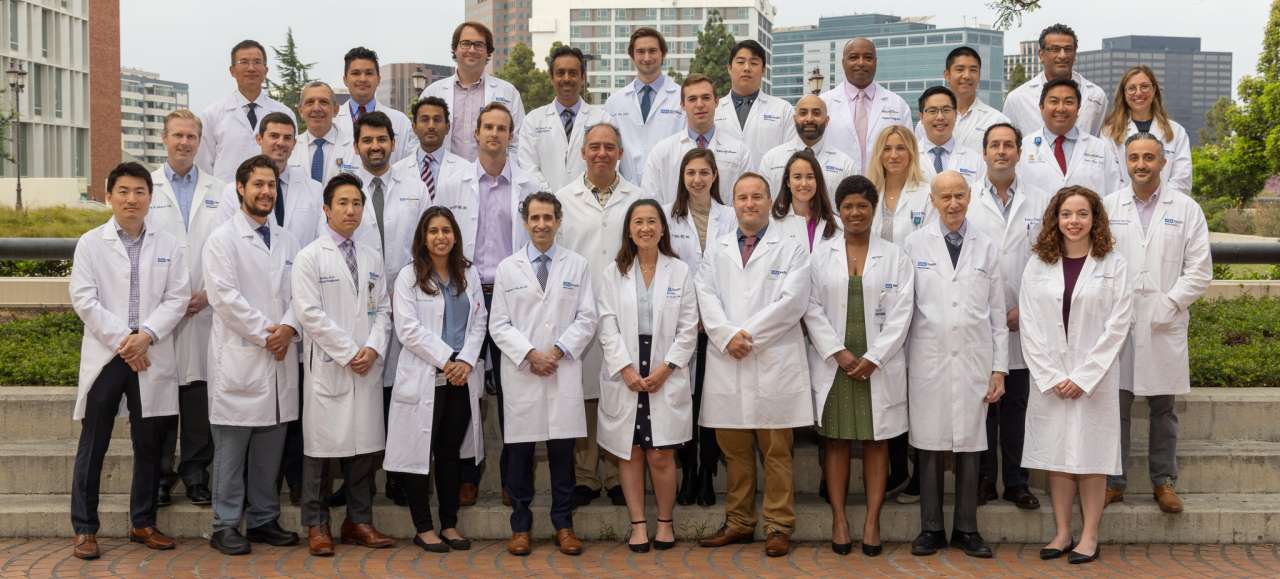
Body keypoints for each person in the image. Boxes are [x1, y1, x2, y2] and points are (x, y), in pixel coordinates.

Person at [68, 162, 190, 560]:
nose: (131, 199)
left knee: (150, 444)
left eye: (139, 191)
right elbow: (84, 299)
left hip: (151, 351)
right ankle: (85, 529)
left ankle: (143, 522)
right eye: (123, 191)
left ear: (150, 199)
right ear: (109, 196)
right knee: (94, 443)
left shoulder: (170, 244)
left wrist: (147, 336)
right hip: (111, 354)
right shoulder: (90, 243)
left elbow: (177, 298)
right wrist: (127, 341)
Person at [696, 173, 812, 558]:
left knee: (777, 451)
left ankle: (778, 525)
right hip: (729, 357)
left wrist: (746, 335)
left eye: (757, 197)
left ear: (768, 201)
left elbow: (793, 302)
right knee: (735, 450)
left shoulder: (792, 248)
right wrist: (727, 335)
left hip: (773, 358)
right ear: (734, 203)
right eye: (743, 197)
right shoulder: (717, 249)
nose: (750, 203)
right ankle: (740, 523)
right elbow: (706, 296)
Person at [434, 101, 544, 505]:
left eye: (502, 128)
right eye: (488, 128)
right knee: (465, 389)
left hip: (512, 295)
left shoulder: (529, 184)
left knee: (516, 392)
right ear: (475, 135)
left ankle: (515, 482)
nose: (495, 134)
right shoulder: (454, 183)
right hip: (467, 294)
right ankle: (468, 475)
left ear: (511, 136)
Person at [1019, 185, 1133, 565]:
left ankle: (1089, 535)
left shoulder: (1113, 264)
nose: (1074, 221)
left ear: (1095, 219)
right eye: (1067, 214)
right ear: (1056, 218)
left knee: (1092, 457)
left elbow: (1118, 325)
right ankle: (1063, 532)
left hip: (1093, 380)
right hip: (1051, 379)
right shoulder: (1039, 263)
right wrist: (1051, 375)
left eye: (1082, 214)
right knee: (1057, 456)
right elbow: (1031, 324)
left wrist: (1084, 376)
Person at [804, 175, 913, 557]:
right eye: (848, 206)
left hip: (876, 362)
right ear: (839, 209)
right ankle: (838, 518)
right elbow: (811, 307)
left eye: (862, 206)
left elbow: (902, 313)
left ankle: (871, 521)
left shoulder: (895, 256)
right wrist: (837, 352)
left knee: (875, 441)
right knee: (835, 441)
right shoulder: (822, 254)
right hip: (837, 361)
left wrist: (874, 357)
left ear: (873, 209)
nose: (855, 212)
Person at [1102, 133, 1213, 512]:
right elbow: (1096, 263)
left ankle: (1163, 482)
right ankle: (1113, 482)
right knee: (1114, 405)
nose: (1141, 164)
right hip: (1118, 321)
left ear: (1163, 162)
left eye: (1149, 157)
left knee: (1163, 409)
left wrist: (1171, 303)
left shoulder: (1185, 209)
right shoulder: (1108, 206)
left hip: (1164, 321)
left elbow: (1200, 270)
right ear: (1125, 163)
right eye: (1134, 158)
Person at [202, 155, 303, 555]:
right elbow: (225, 299)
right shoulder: (222, 240)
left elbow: (301, 295)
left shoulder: (287, 240)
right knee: (231, 449)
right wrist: (271, 335)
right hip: (243, 357)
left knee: (269, 448)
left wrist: (290, 327)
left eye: (271, 185)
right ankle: (224, 524)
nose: (265, 192)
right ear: (240, 189)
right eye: (258, 184)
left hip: (278, 357)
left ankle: (262, 518)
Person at [903, 171, 1007, 559]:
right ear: (932, 200)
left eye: (959, 196)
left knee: (969, 446)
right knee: (929, 447)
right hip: (928, 359)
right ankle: (930, 528)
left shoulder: (987, 246)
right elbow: (905, 309)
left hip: (973, 361)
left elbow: (997, 314)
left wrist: (999, 369)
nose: (952, 203)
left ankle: (967, 528)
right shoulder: (914, 245)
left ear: (969, 197)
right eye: (944, 196)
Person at [488, 192, 598, 557]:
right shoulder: (508, 268)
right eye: (534, 218)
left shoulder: (577, 265)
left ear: (558, 221)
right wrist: (531, 354)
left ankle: (563, 526)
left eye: (548, 217)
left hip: (561, 368)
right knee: (518, 455)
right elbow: (499, 324)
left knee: (562, 456)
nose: (541, 224)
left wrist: (558, 351)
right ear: (525, 222)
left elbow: (587, 317)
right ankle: (520, 527)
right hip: (523, 373)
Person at [290, 173, 393, 557]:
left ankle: (358, 520)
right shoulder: (309, 257)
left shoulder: (371, 257)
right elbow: (309, 313)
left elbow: (383, 309)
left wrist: (373, 348)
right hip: (331, 366)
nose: (351, 210)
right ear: (326, 209)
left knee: (365, 449)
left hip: (366, 365)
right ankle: (317, 525)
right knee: (320, 451)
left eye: (357, 204)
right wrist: (350, 352)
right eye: (343, 203)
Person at [597, 198, 700, 552]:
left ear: (662, 228)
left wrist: (667, 368)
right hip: (626, 366)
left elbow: (688, 328)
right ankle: (638, 524)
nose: (645, 228)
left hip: (664, 368)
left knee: (660, 453)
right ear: (629, 229)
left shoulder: (680, 271)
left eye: (652, 221)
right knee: (630, 452)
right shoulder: (613, 272)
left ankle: (665, 523)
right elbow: (606, 325)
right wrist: (624, 368)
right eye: (638, 221)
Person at [555, 122, 649, 506]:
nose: (601, 154)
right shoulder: (563, 198)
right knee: (583, 394)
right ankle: (586, 474)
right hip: (577, 308)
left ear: (620, 153)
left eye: (610, 147)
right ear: (582, 152)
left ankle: (615, 473)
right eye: (594, 147)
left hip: (623, 308)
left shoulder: (638, 198)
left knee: (617, 392)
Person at [384, 207, 488, 553]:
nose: (440, 236)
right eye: (433, 231)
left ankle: (450, 523)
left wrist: (466, 362)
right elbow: (407, 329)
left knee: (449, 453)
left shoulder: (468, 274)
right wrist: (448, 359)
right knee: (418, 453)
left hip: (460, 379)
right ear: (423, 238)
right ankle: (423, 527)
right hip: (427, 374)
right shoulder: (408, 276)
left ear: (455, 235)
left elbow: (479, 321)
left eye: (446, 230)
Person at [351, 110, 431, 506]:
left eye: (381, 139)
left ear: (393, 143)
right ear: (356, 146)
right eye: (367, 140)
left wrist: (410, 296)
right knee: (365, 400)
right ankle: (360, 484)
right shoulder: (345, 190)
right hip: (360, 310)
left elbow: (428, 244)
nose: (376, 146)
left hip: (408, 306)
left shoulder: (415, 186)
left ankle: (400, 478)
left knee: (403, 396)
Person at [967, 123, 1048, 510]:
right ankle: (983, 479)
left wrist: (1024, 310)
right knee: (984, 405)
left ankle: (1017, 481)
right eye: (994, 145)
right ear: (983, 153)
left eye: (1008, 145)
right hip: (979, 321)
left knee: (1017, 406)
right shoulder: (968, 200)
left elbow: (1048, 261)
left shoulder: (1039, 202)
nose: (1001, 151)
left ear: (1019, 152)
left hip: (1022, 322)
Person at [148, 109, 225, 509]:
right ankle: (161, 477)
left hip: (204, 308)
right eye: (177, 135)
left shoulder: (219, 190)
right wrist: (170, 301)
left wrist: (209, 292)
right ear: (165, 139)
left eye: (191, 136)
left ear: (199, 141)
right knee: (161, 399)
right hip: (160, 312)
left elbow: (228, 247)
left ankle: (196, 475)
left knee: (198, 398)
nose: (184, 142)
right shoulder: (149, 188)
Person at [664, 148, 736, 506]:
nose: (697, 179)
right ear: (682, 177)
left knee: (710, 404)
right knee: (683, 402)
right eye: (690, 172)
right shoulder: (668, 218)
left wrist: (715, 319)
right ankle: (686, 471)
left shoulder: (731, 217)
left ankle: (707, 472)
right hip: (681, 325)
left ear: (714, 176)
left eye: (704, 172)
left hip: (719, 324)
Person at [420, 21, 525, 161]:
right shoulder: (432, 92)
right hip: (444, 176)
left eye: (479, 45)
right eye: (465, 43)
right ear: (455, 49)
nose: (472, 50)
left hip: (491, 177)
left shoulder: (508, 92)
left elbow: (517, 142)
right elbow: (418, 138)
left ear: (488, 51)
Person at [645, 74, 756, 205]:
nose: (700, 104)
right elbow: (651, 202)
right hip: (676, 224)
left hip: (726, 225)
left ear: (716, 102)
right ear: (682, 105)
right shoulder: (662, 152)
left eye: (706, 98)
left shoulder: (739, 151)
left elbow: (749, 197)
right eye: (692, 99)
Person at [218, 112, 323, 248]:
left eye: (287, 138)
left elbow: (321, 239)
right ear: (259, 139)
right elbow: (223, 242)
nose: (280, 143)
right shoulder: (232, 192)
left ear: (294, 143)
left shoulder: (314, 189)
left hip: (300, 267)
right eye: (274, 136)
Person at [197, 40, 296, 183]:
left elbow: (290, 161)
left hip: (272, 196)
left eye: (257, 62)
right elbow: (204, 166)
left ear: (265, 70)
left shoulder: (285, 113)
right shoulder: (212, 115)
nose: (251, 68)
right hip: (226, 198)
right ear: (232, 71)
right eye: (244, 62)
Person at [518, 45, 613, 192]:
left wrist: (580, 199)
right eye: (560, 73)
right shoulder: (533, 121)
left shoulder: (603, 119)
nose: (567, 78)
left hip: (589, 204)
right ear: (551, 78)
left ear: (582, 78)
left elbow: (609, 164)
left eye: (573, 73)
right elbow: (527, 167)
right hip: (547, 207)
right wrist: (551, 198)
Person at [820, 37, 913, 172]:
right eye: (853, 57)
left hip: (883, 186)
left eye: (868, 58)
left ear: (876, 62)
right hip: (835, 185)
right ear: (843, 62)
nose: (861, 63)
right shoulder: (824, 104)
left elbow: (909, 152)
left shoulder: (898, 104)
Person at [607, 27, 685, 186]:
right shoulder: (615, 102)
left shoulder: (681, 97)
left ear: (663, 54)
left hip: (670, 189)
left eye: (652, 51)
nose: (647, 57)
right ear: (632, 56)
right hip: (626, 191)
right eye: (641, 51)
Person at [1019, 79, 1121, 199]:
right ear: (1041, 108)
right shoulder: (1023, 148)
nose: (1061, 108)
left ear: (1078, 109)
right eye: (1054, 101)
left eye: (1068, 102)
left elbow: (1115, 195)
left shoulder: (1100, 148)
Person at [1003, 24, 1108, 137]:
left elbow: (1100, 140)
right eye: (1055, 49)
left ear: (1075, 54)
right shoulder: (1018, 99)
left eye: (1068, 49)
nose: (1062, 55)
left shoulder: (1096, 95)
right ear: (1041, 55)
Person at [1102, 66, 1192, 194]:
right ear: (1124, 93)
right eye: (1132, 88)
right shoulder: (1109, 133)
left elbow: (1183, 178)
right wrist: (1131, 202)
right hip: (1122, 209)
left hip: (1168, 208)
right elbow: (1109, 178)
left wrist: (1162, 201)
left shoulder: (1176, 132)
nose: (1138, 93)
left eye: (1144, 86)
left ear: (1154, 90)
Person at [759, 94, 859, 206]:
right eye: (803, 113)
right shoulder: (771, 160)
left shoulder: (846, 165)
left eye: (816, 113)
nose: (809, 119)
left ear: (827, 121)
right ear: (794, 119)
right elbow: (762, 204)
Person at [915, 47, 1010, 152]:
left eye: (973, 70)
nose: (967, 76)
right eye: (960, 69)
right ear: (947, 75)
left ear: (979, 75)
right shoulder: (925, 124)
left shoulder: (996, 120)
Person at [715, 39, 797, 158]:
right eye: (740, 62)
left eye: (754, 63)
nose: (747, 68)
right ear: (729, 68)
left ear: (763, 70)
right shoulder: (714, 110)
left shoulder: (783, 110)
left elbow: (791, 156)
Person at [336, 47, 416, 165]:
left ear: (378, 79)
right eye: (356, 73)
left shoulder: (400, 122)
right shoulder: (333, 120)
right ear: (345, 79)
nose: (362, 79)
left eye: (369, 73)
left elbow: (410, 165)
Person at [392, 96, 468, 206]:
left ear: (447, 127)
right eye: (425, 120)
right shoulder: (397, 171)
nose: (431, 126)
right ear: (414, 127)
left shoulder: (464, 170)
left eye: (437, 120)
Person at [867, 124, 934, 248]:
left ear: (911, 152)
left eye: (900, 148)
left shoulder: (927, 194)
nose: (893, 155)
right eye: (887, 149)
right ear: (879, 154)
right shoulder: (866, 194)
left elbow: (930, 243)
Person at [770, 151, 840, 252]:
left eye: (810, 177)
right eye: (797, 177)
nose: (804, 183)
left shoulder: (837, 224)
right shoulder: (772, 222)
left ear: (817, 181)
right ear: (788, 182)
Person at [917, 86, 986, 187]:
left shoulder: (975, 160)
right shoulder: (910, 158)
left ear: (956, 115)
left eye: (946, 110)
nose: (940, 117)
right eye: (932, 111)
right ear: (921, 117)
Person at [290, 81, 355, 185]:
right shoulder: (290, 148)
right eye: (310, 102)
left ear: (336, 110)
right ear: (300, 111)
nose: (316, 108)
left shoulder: (354, 147)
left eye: (323, 102)